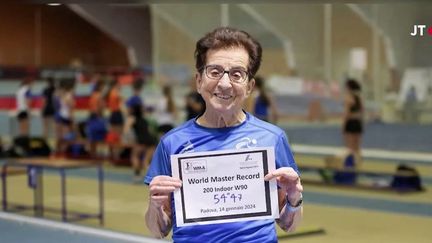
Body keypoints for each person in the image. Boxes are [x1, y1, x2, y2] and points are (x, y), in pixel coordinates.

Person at [144, 27, 303, 242]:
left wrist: (294, 198)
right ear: (199, 81)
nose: (225, 83)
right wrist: (154, 205)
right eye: (215, 72)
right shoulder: (172, 143)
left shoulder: (272, 139)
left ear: (249, 87)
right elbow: (158, 230)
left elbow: (288, 225)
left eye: (237, 74)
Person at [342, 78, 364, 164]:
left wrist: (343, 126)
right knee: (357, 147)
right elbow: (362, 111)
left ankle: (351, 165)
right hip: (358, 123)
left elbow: (346, 113)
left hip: (351, 123)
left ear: (349, 88)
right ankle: (359, 163)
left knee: (350, 147)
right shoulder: (359, 98)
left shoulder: (349, 98)